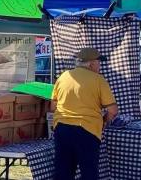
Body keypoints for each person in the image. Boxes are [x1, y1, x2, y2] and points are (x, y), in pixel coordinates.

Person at [51, 48, 118, 180]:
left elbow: (53, 106)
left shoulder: (64, 76)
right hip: (87, 130)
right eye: (99, 62)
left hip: (62, 128)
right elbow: (113, 110)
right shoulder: (98, 80)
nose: (100, 65)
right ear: (91, 63)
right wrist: (104, 121)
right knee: (89, 172)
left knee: (62, 172)